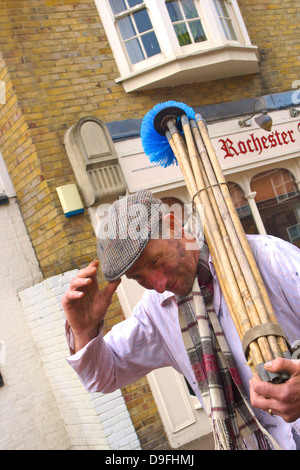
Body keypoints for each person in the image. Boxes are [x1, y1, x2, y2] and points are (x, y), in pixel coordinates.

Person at [62, 190, 300, 450]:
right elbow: (101, 376)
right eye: (139, 278)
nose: (159, 284)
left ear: (174, 226)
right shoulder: (155, 313)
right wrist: (83, 329)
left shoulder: (267, 258)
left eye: (156, 260)